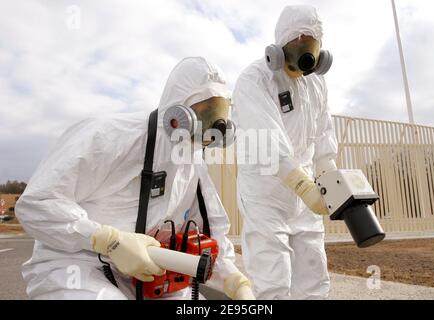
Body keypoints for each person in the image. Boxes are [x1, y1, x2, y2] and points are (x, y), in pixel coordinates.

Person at [16, 57, 254, 300]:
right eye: (207, 111)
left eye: (221, 113)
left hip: (152, 275)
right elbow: (38, 203)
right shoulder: (108, 137)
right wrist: (107, 240)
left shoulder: (192, 163)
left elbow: (207, 233)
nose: (215, 124)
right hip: (78, 266)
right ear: (178, 111)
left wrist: (234, 280)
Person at [232, 5, 338, 300]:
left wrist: (329, 177)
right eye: (297, 44)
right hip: (266, 193)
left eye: (311, 45)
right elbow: (266, 140)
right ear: (279, 47)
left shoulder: (316, 82)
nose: (305, 53)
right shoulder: (255, 79)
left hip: (304, 198)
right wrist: (304, 184)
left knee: (314, 276)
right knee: (272, 281)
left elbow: (323, 134)